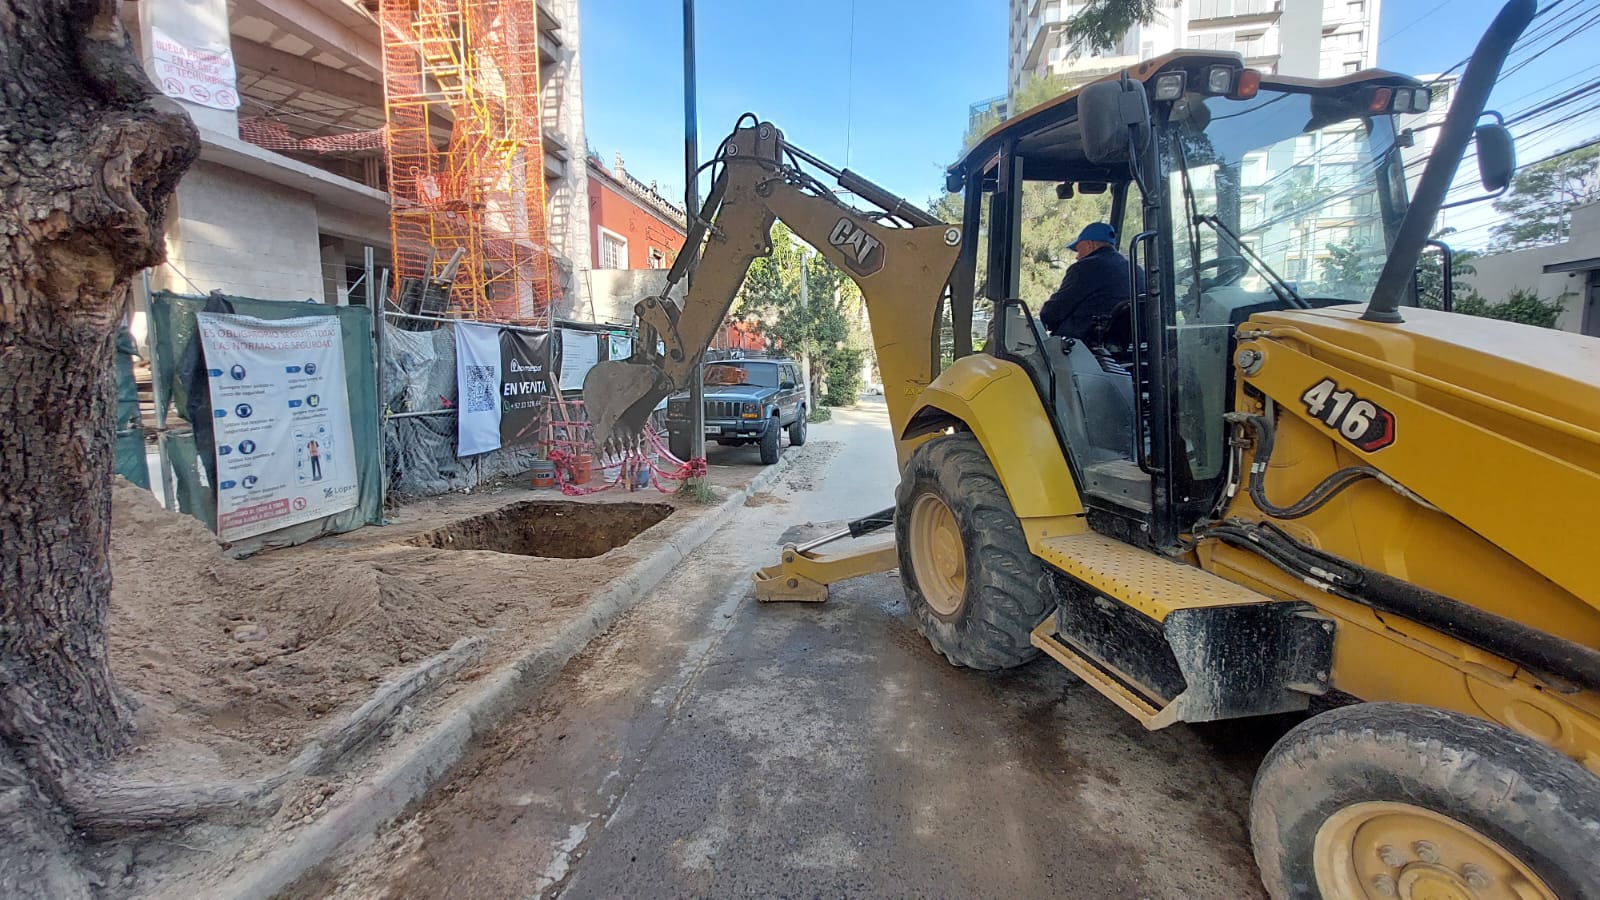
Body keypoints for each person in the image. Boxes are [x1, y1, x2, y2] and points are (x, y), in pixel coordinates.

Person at [1038, 222, 1142, 343]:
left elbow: (1054, 311)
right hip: (1126, 347)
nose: (1077, 257)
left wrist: (1044, 319)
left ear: (1089, 244)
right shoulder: (1137, 270)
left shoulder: (1085, 268)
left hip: (1084, 347)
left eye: (1078, 250)